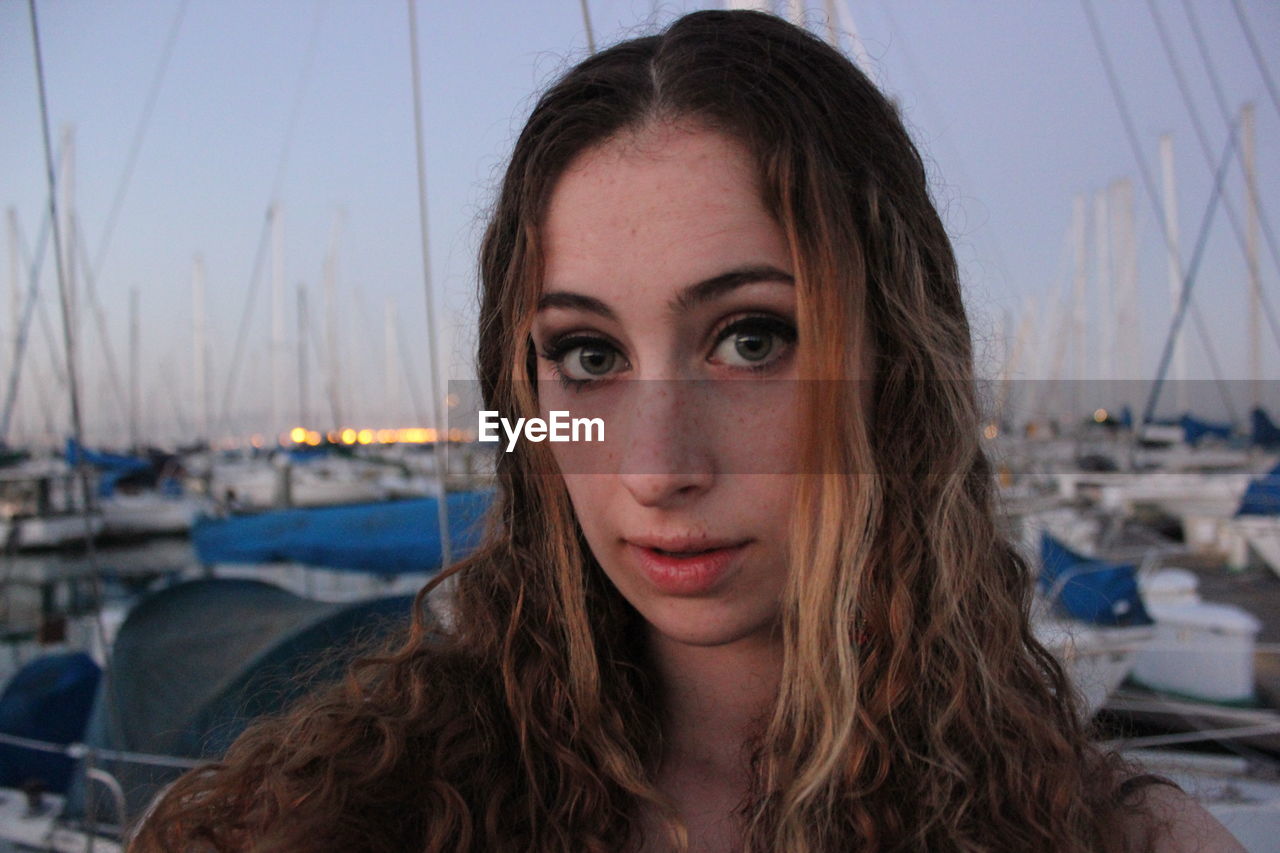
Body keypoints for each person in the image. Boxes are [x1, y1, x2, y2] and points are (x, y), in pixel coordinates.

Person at [130, 10, 1244, 852]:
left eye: (750, 339)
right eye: (588, 355)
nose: (656, 466)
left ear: (897, 368)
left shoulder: (1116, 838)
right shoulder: (363, 807)